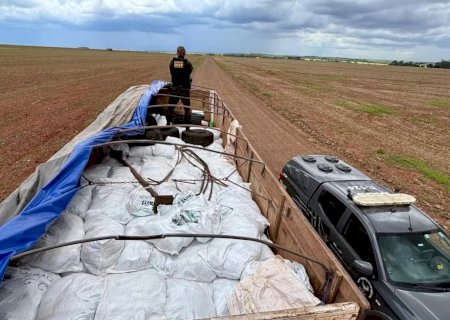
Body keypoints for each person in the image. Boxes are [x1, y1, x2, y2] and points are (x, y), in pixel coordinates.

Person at [167, 46, 193, 124]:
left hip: (175, 89)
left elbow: (172, 71)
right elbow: (190, 71)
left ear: (177, 53)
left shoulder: (172, 62)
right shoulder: (188, 64)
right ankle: (187, 126)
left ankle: (168, 124)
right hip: (184, 89)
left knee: (170, 108)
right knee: (187, 109)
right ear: (184, 53)